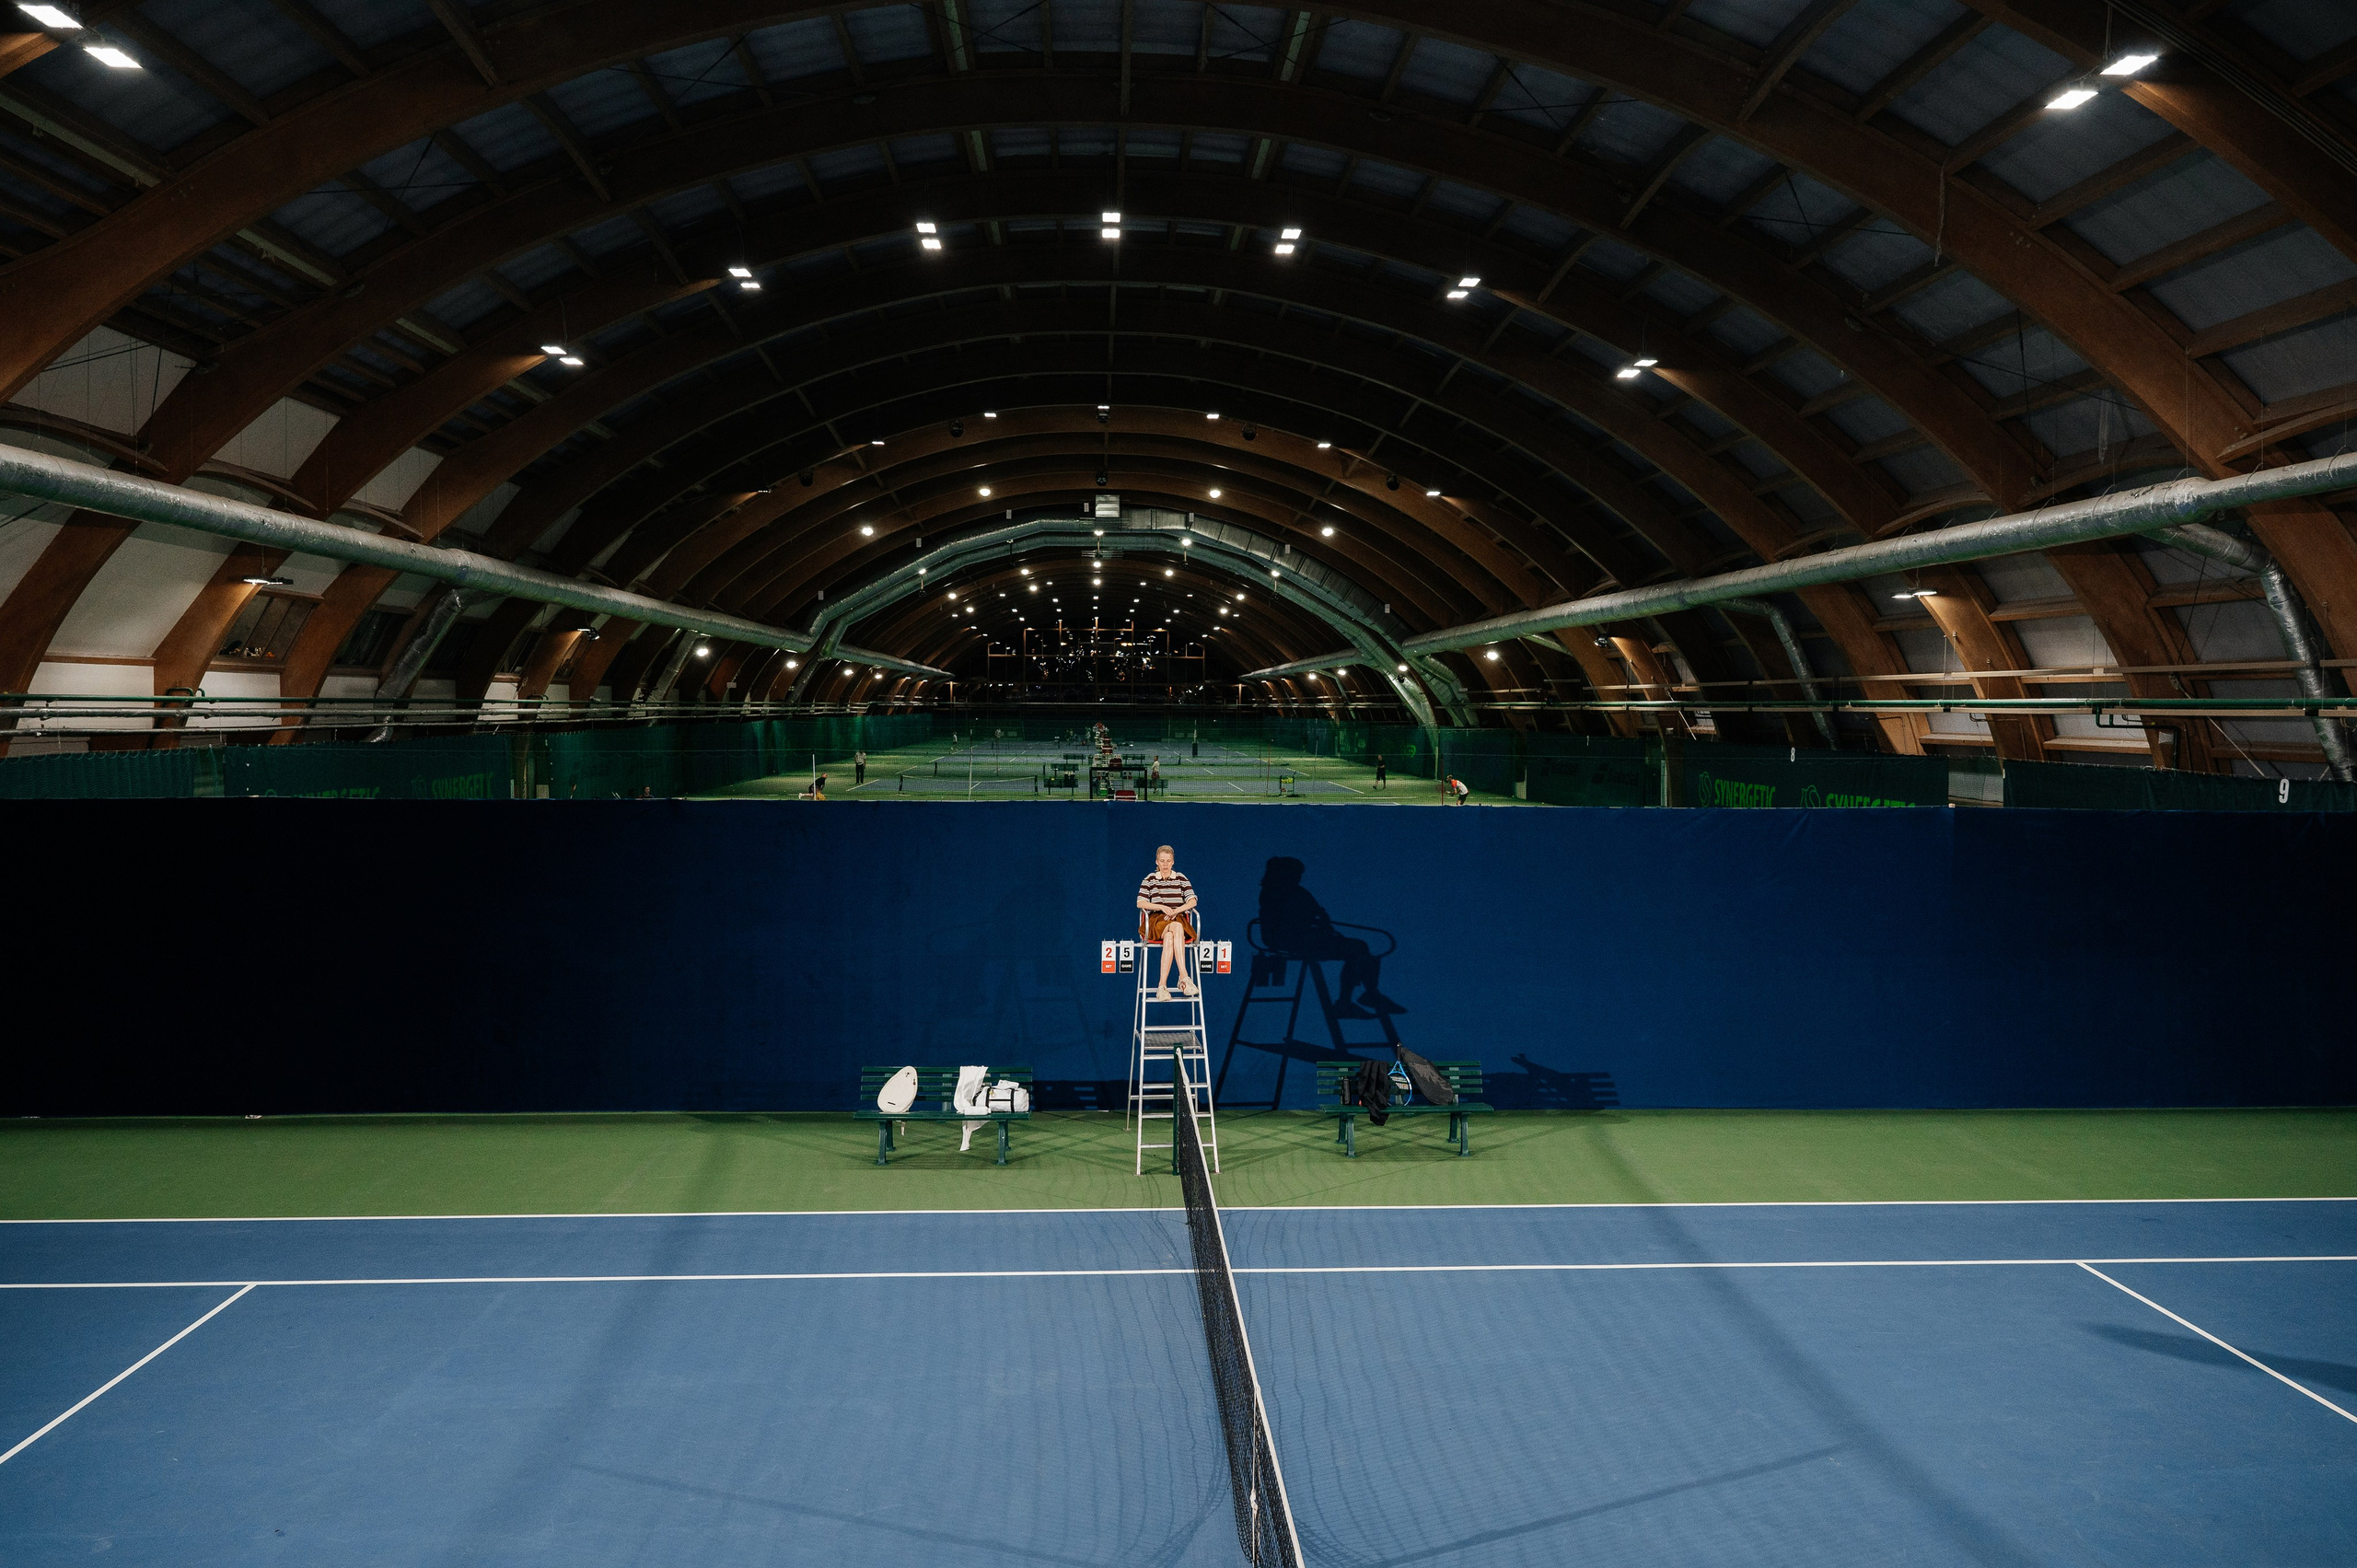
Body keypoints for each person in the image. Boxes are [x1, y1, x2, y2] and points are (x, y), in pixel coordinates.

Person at [1258, 856, 1393, 1015]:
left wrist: (1321, 925)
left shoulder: (1292, 891)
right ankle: (1352, 1000)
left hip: (1304, 938)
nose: (1298, 877)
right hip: (1293, 940)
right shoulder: (1278, 892)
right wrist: (1317, 924)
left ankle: (1365, 994)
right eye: (1295, 873)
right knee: (1357, 949)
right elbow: (1294, 920)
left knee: (1359, 950)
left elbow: (1317, 914)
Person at [1135, 844, 1199, 1001]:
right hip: (1157, 920)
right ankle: (1184, 977)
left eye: (1168, 861)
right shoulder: (1149, 879)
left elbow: (1192, 901)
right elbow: (1140, 903)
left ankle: (1162, 986)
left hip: (1177, 917)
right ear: (1157, 862)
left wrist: (1176, 911)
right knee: (1176, 927)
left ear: (1173, 862)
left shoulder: (1181, 878)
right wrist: (1161, 907)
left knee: (1171, 935)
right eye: (1162, 861)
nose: (1165, 864)